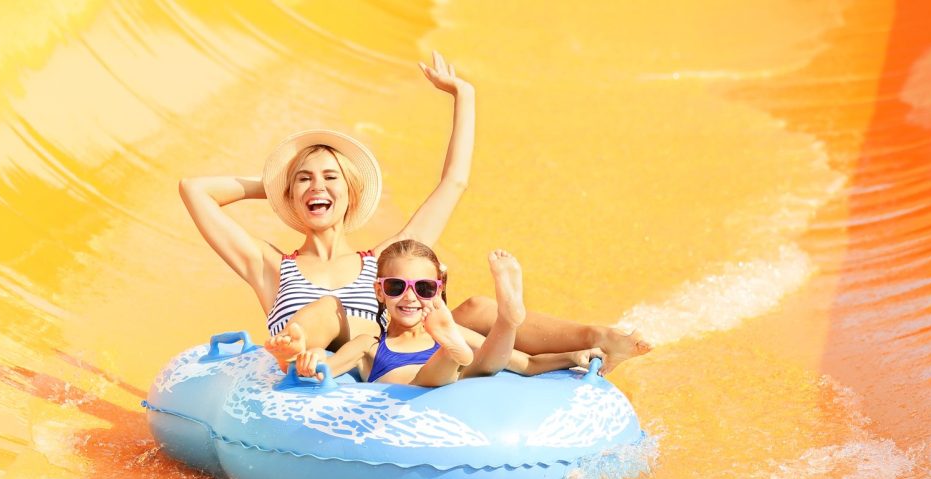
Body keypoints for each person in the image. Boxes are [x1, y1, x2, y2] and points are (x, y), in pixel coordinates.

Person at [178, 53, 649, 374]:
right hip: (310, 363)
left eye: (330, 178)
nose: (316, 187)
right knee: (330, 306)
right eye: (305, 179)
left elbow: (453, 183)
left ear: (351, 192)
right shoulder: (270, 266)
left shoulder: (381, 262)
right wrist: (278, 183)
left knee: (479, 308)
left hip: (380, 359)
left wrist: (464, 94)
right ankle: (299, 346)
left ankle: (597, 337)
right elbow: (195, 190)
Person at [292, 240, 606, 387]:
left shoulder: (449, 333)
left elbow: (527, 364)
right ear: (379, 291)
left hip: (458, 368)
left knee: (480, 362)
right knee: (447, 365)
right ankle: (461, 350)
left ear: (438, 290)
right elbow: (330, 366)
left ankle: (508, 320)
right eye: (396, 286)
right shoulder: (368, 345)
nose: (410, 297)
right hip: (420, 385)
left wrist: (572, 356)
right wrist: (312, 361)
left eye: (424, 288)